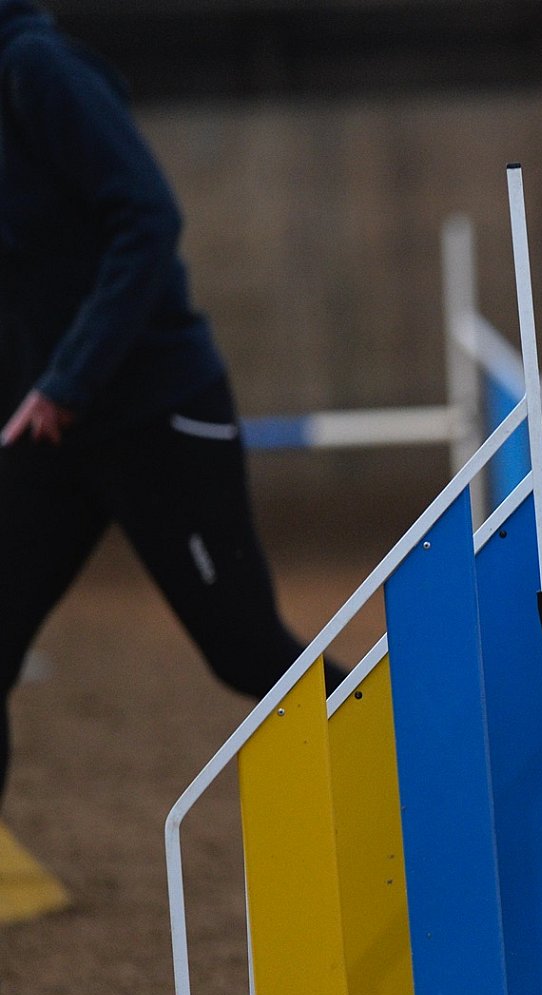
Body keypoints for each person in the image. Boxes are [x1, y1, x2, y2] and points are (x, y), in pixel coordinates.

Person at [0, 0, 340, 811]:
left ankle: (421, 757)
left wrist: (69, 379)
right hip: (49, 428)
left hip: (156, 414)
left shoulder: (38, 69)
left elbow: (149, 217)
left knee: (246, 649)